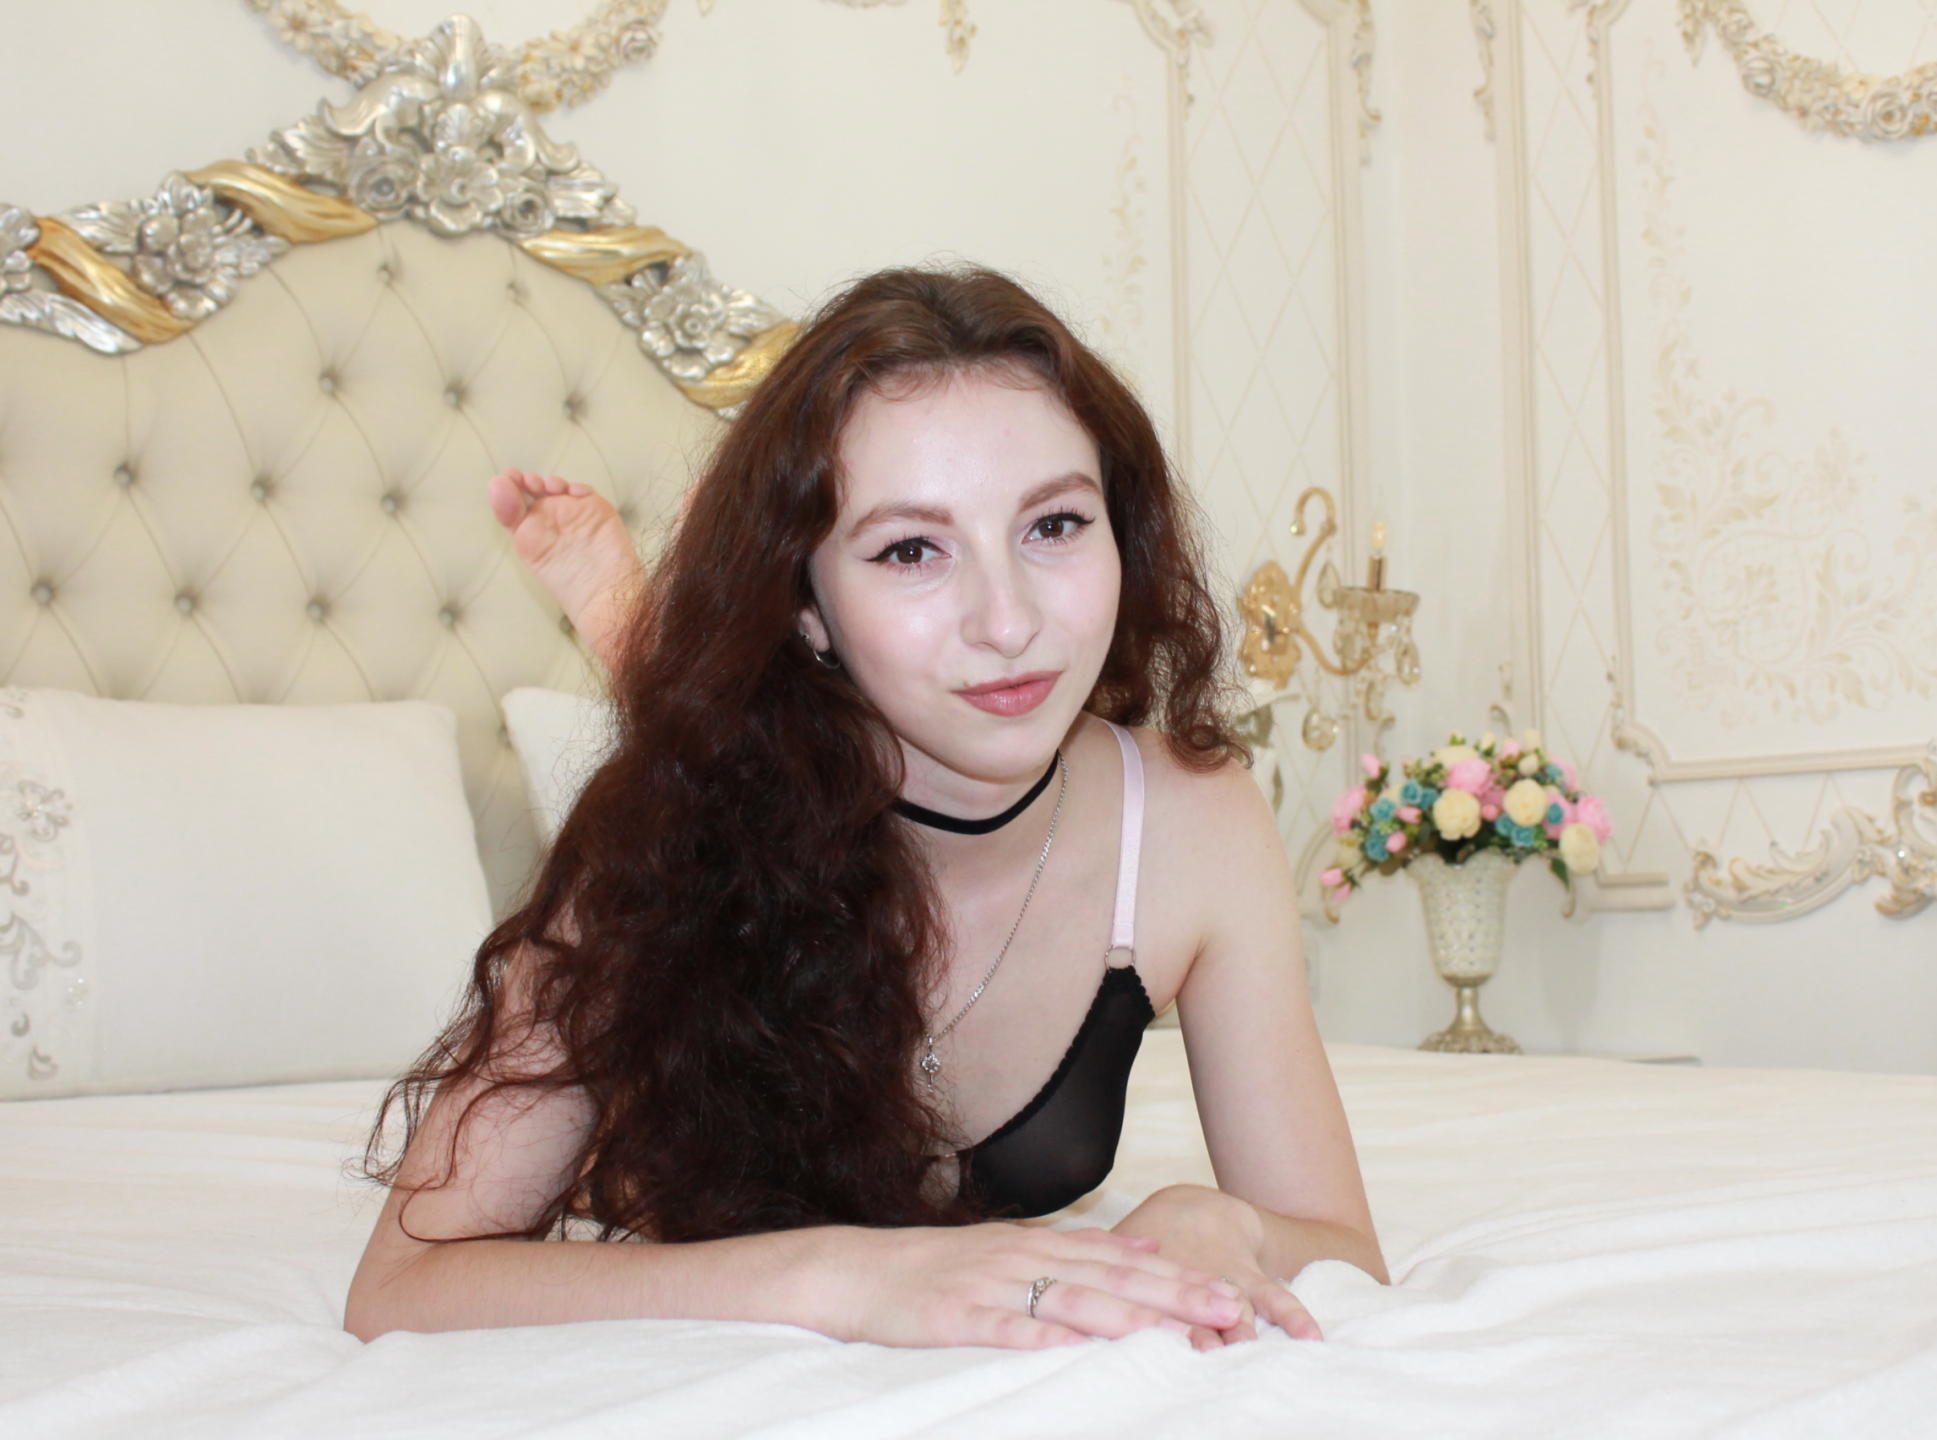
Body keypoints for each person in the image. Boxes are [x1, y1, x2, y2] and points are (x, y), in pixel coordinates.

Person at [343, 265, 1386, 1354]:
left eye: (1055, 525)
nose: (1008, 622)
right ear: (806, 608)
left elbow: (1342, 1245)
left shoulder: (1193, 820)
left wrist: (1212, 1220)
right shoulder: (658, 838)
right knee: (708, 771)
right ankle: (634, 631)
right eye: (910, 550)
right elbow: (402, 1288)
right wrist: (844, 1276)